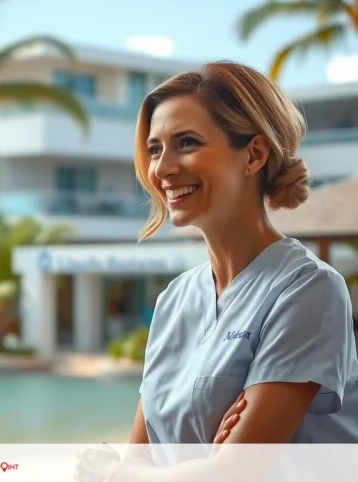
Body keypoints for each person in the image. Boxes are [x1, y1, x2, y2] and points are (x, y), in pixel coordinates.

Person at [75, 61, 358, 481]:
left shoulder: (309, 290)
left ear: (254, 154)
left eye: (186, 142)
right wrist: (200, 465)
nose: (162, 169)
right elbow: (144, 459)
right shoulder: (175, 300)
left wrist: (118, 475)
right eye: (155, 149)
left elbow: (236, 473)